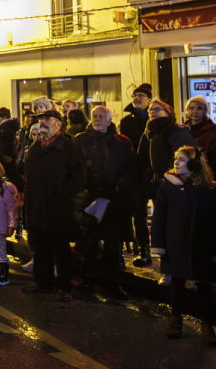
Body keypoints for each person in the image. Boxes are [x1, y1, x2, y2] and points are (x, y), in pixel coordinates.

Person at [151, 146, 216, 345]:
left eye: (182, 160)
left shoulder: (210, 188)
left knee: (204, 285)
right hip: (176, 243)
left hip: (204, 245)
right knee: (176, 283)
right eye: (176, 159)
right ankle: (175, 318)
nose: (176, 163)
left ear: (194, 165)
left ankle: (206, 323)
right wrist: (158, 244)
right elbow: (159, 217)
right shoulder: (168, 186)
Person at [73, 106, 138, 300]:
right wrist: (90, 186)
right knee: (89, 243)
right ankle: (89, 279)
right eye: (94, 116)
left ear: (110, 120)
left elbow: (131, 168)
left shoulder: (122, 142)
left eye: (101, 116)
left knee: (112, 244)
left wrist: (117, 187)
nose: (97, 119)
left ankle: (111, 282)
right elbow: (76, 167)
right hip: (89, 198)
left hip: (113, 200)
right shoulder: (80, 140)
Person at [22, 109, 85, 302]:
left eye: (47, 119)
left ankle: (64, 286)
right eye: (41, 119)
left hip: (58, 206)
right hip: (38, 204)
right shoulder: (35, 145)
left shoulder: (67, 145)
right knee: (41, 246)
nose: (43, 122)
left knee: (61, 248)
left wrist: (62, 194)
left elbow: (79, 177)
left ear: (59, 123)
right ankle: (43, 283)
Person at [136, 98, 196, 265]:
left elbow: (191, 159)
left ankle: (175, 260)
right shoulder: (148, 132)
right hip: (151, 182)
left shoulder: (178, 132)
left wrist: (171, 177)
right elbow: (141, 158)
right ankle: (147, 251)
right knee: (152, 219)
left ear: (169, 113)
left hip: (172, 184)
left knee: (171, 222)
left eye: (158, 109)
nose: (153, 112)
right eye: (151, 110)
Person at [119, 83, 152, 263]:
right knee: (138, 213)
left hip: (156, 174)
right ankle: (143, 249)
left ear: (149, 99)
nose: (137, 98)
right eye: (135, 95)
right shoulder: (126, 122)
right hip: (135, 174)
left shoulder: (157, 120)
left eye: (142, 95)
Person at [184, 96, 216, 193]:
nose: (195, 111)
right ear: (187, 110)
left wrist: (207, 179)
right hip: (186, 179)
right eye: (192, 108)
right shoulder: (182, 131)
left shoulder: (215, 133)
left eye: (199, 108)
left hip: (208, 181)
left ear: (204, 111)